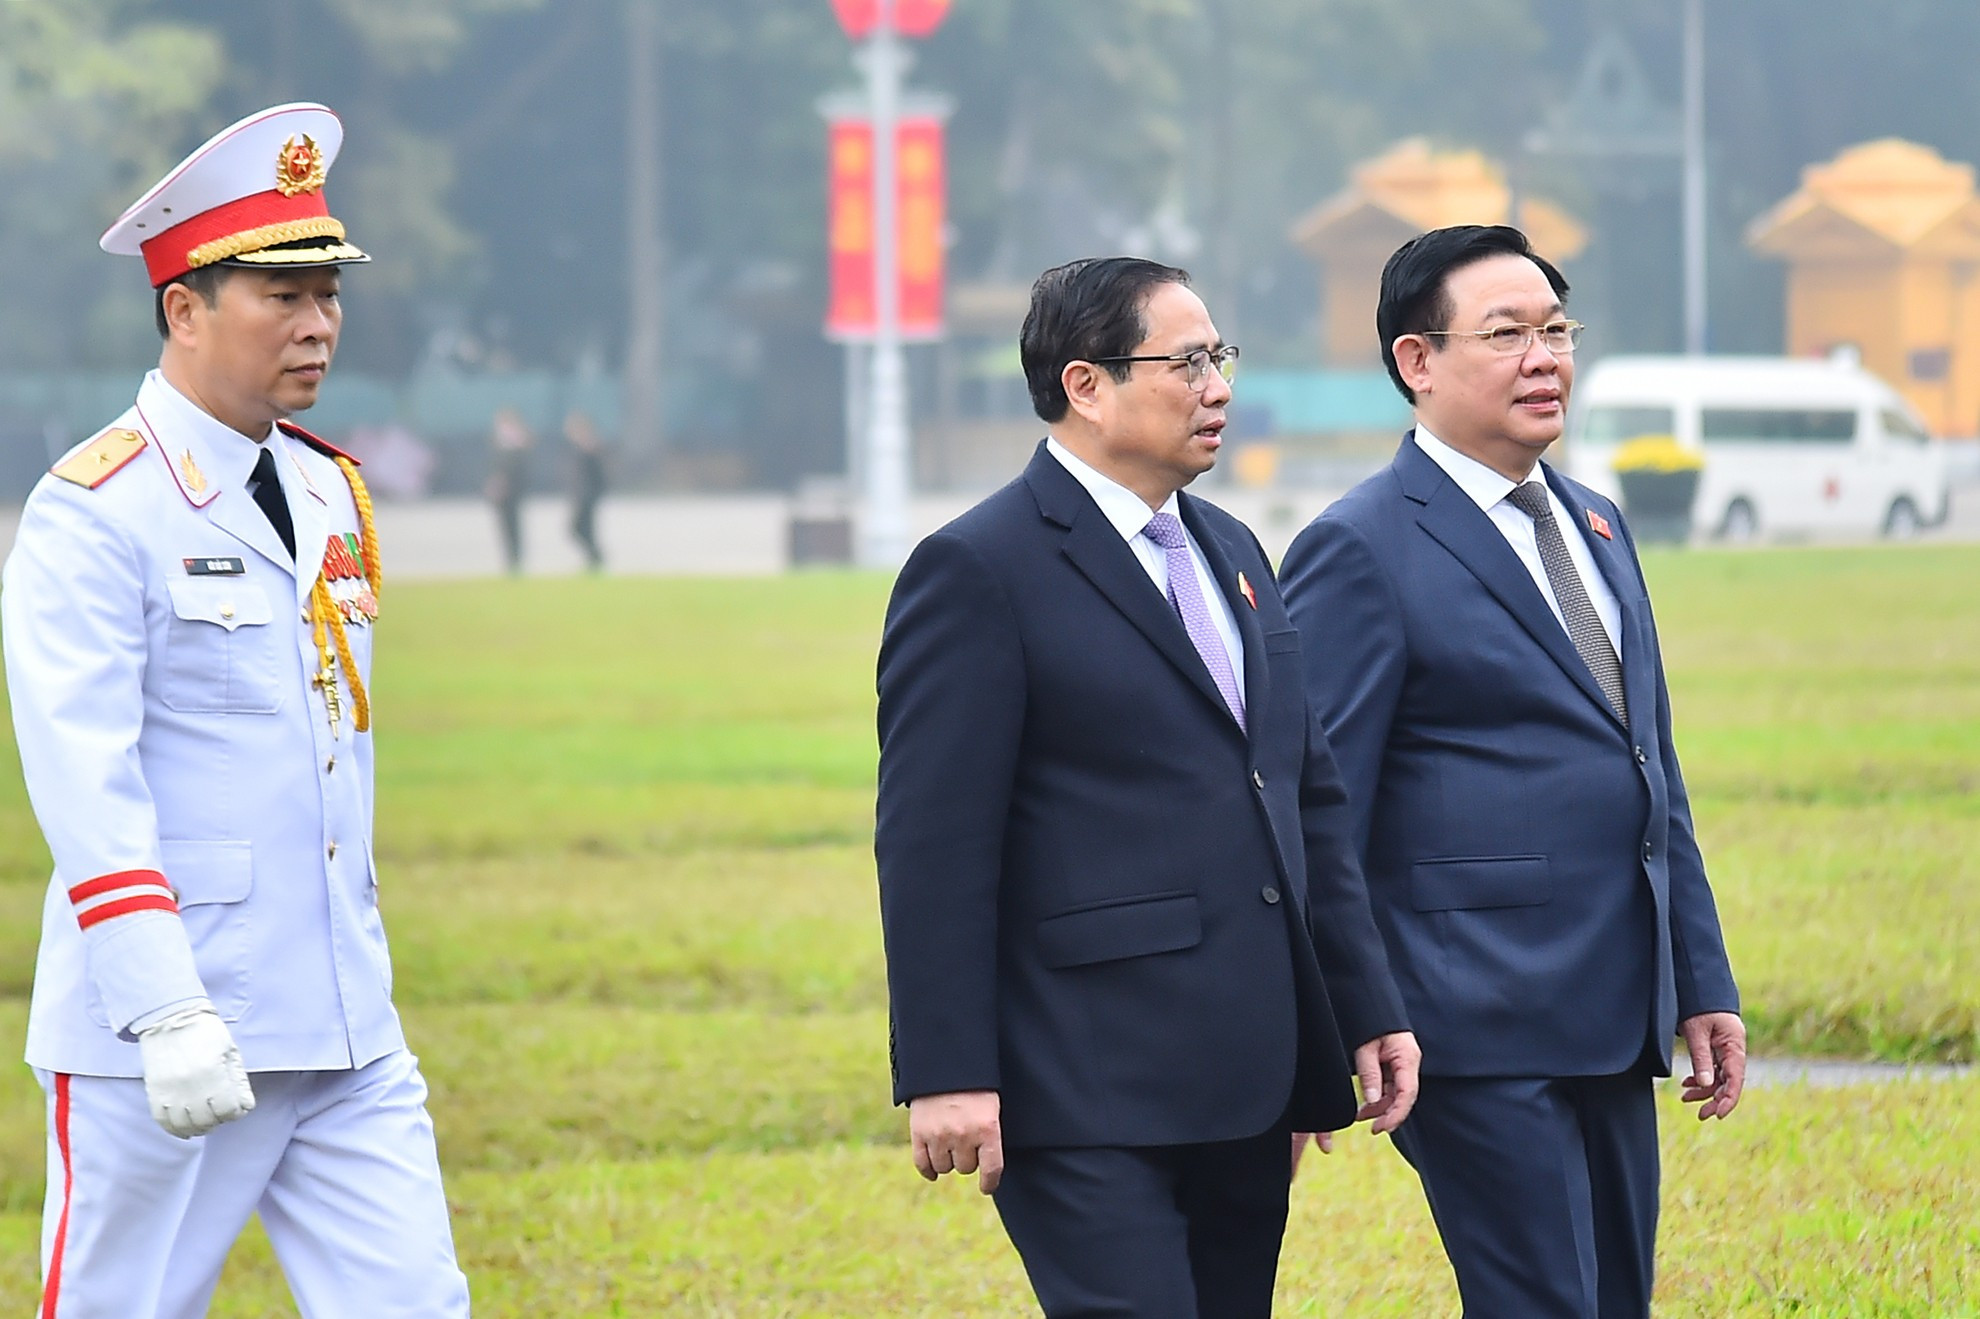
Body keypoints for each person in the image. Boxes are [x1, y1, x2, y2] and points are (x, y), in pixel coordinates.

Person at [875, 256, 1419, 1318]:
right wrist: (946, 1069)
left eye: (1221, 358)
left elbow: (1305, 796)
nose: (1219, 386)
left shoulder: (1233, 551)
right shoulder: (978, 568)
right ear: (1087, 385)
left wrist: (1364, 1002)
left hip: (1245, 1077)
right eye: (1189, 362)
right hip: (1080, 1083)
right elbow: (934, 843)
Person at [1, 103, 471, 1317]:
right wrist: (164, 1004)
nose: (317, 324)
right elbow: (85, 781)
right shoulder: (94, 508)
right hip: (164, 1031)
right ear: (185, 308)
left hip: (343, 1021)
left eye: (327, 294)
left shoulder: (324, 486)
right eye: (282, 294)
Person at [1279, 224, 1745, 1319]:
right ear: (1416, 361)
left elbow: (1651, 767)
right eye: (1507, 334)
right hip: (1467, 1018)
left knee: (1615, 1298)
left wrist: (1700, 977)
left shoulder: (1595, 520)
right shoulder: (1364, 544)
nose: (1545, 358)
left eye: (1555, 330)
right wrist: (1333, 1017)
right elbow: (1318, 805)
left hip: (1611, 1007)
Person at [487, 405, 533, 574]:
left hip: (514, 491)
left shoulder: (518, 444)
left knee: (514, 527)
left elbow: (518, 468)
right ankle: (510, 560)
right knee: (504, 528)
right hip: (501, 494)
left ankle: (516, 560)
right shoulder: (498, 444)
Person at [563, 408, 607, 571]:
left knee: (578, 528)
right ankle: (594, 558)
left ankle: (596, 557)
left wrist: (593, 493)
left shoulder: (590, 448)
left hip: (586, 496)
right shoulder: (582, 448)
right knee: (582, 529)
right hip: (582, 495)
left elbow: (598, 475)